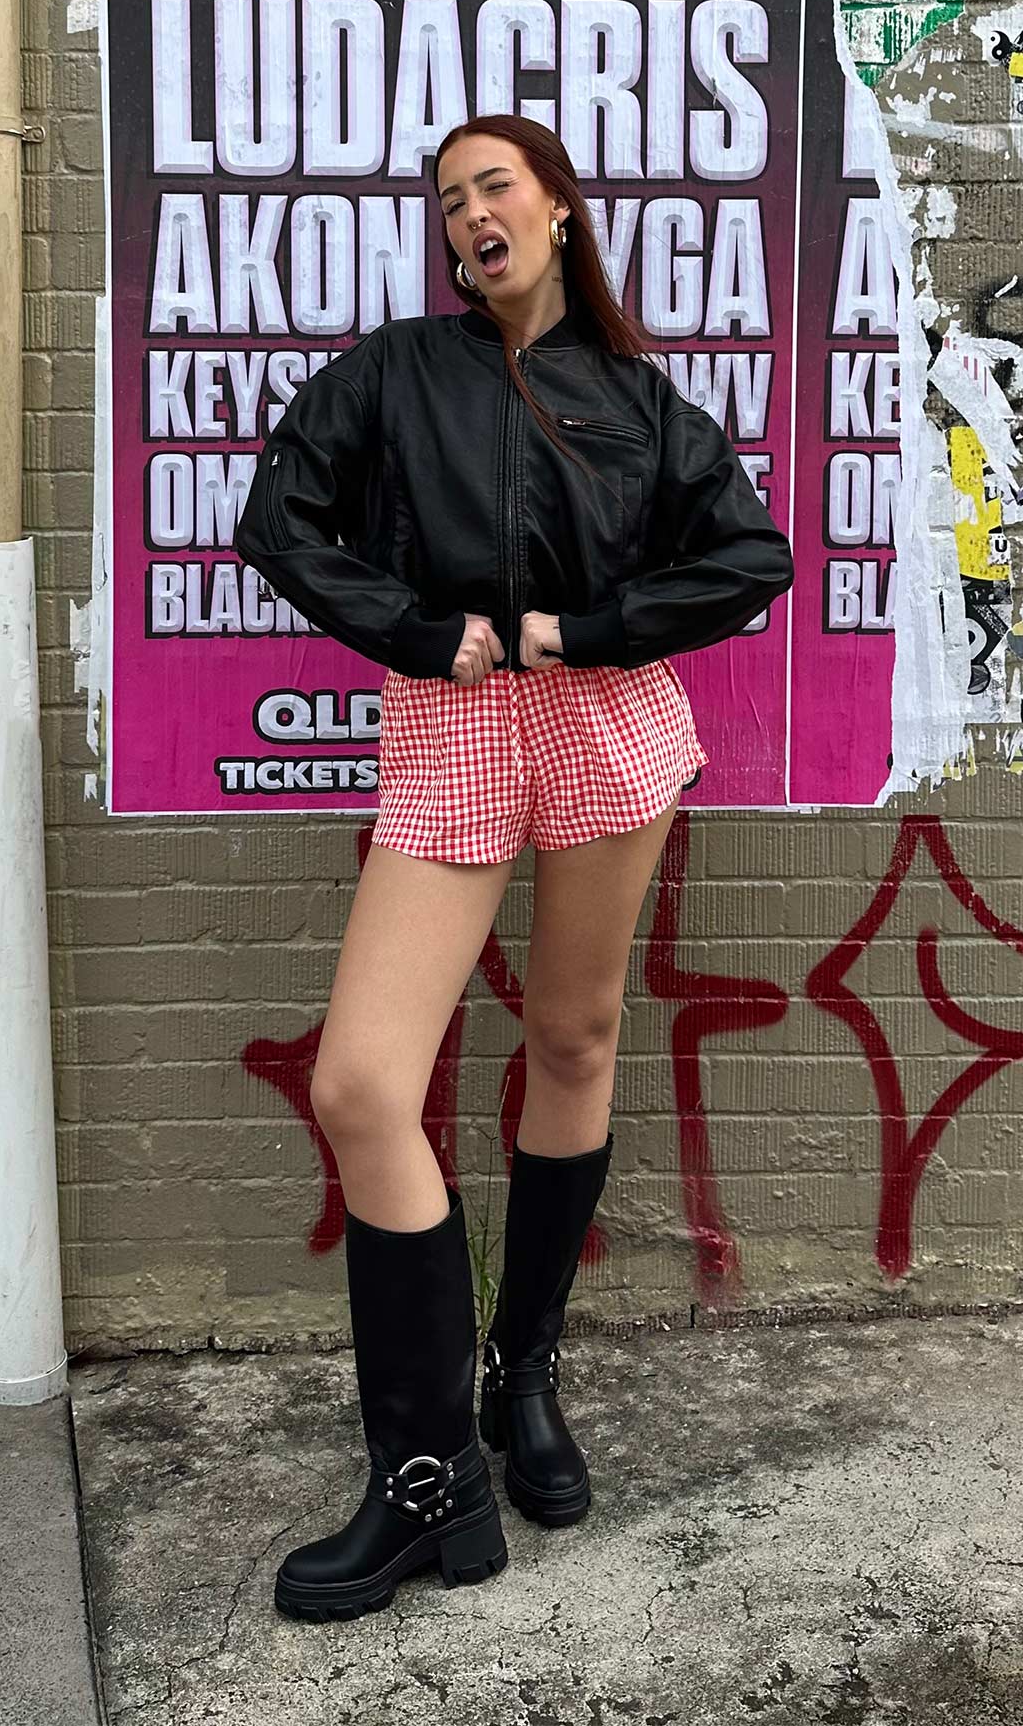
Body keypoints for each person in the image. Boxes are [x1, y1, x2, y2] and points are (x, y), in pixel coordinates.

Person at [233, 112, 795, 1624]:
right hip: (455, 723)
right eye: (447, 199)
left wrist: (583, 631)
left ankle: (520, 1378)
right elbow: (276, 521)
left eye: (493, 184)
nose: (469, 212)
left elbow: (753, 559)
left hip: (607, 719)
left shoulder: (638, 398)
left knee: (574, 1037)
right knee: (362, 1083)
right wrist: (425, 633)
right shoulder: (394, 375)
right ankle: (430, 1486)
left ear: (554, 204)